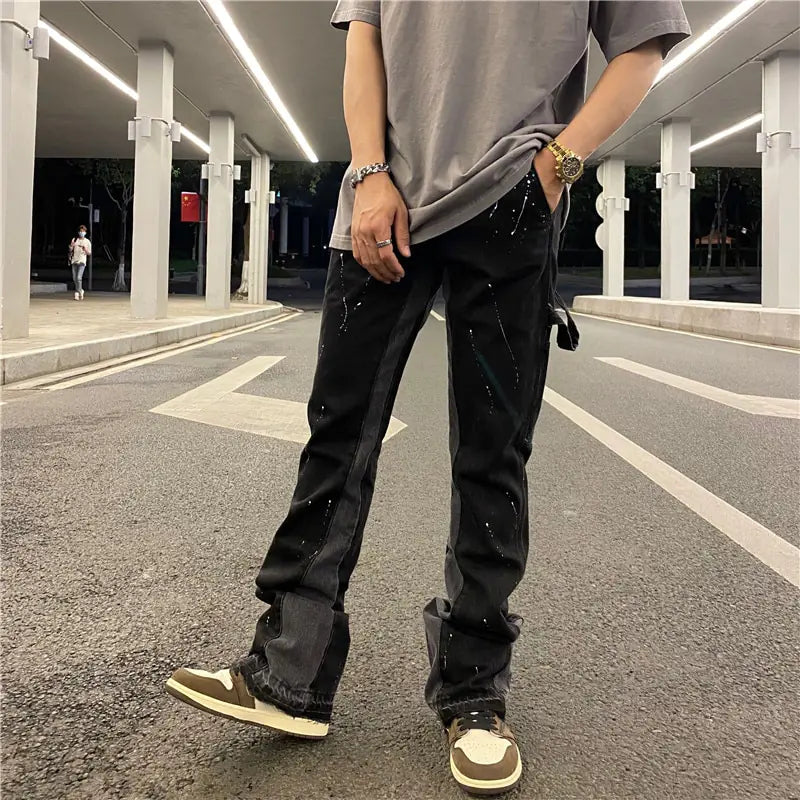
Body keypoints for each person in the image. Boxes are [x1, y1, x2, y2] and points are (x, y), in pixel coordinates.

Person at [167, 2, 689, 795]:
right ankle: (287, 670)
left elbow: (644, 45)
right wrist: (369, 172)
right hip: (382, 208)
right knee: (338, 435)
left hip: (513, 199)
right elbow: (366, 37)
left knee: (493, 453)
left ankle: (475, 691)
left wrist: (557, 167)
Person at [68, 225, 91, 300]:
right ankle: (81, 290)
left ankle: (77, 293)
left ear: (85, 232)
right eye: (80, 231)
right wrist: (71, 246)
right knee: (74, 278)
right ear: (78, 232)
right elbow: (70, 250)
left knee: (78, 277)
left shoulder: (87, 241)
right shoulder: (75, 240)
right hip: (74, 260)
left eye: (83, 231)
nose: (82, 233)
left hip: (82, 261)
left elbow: (89, 253)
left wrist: (85, 249)